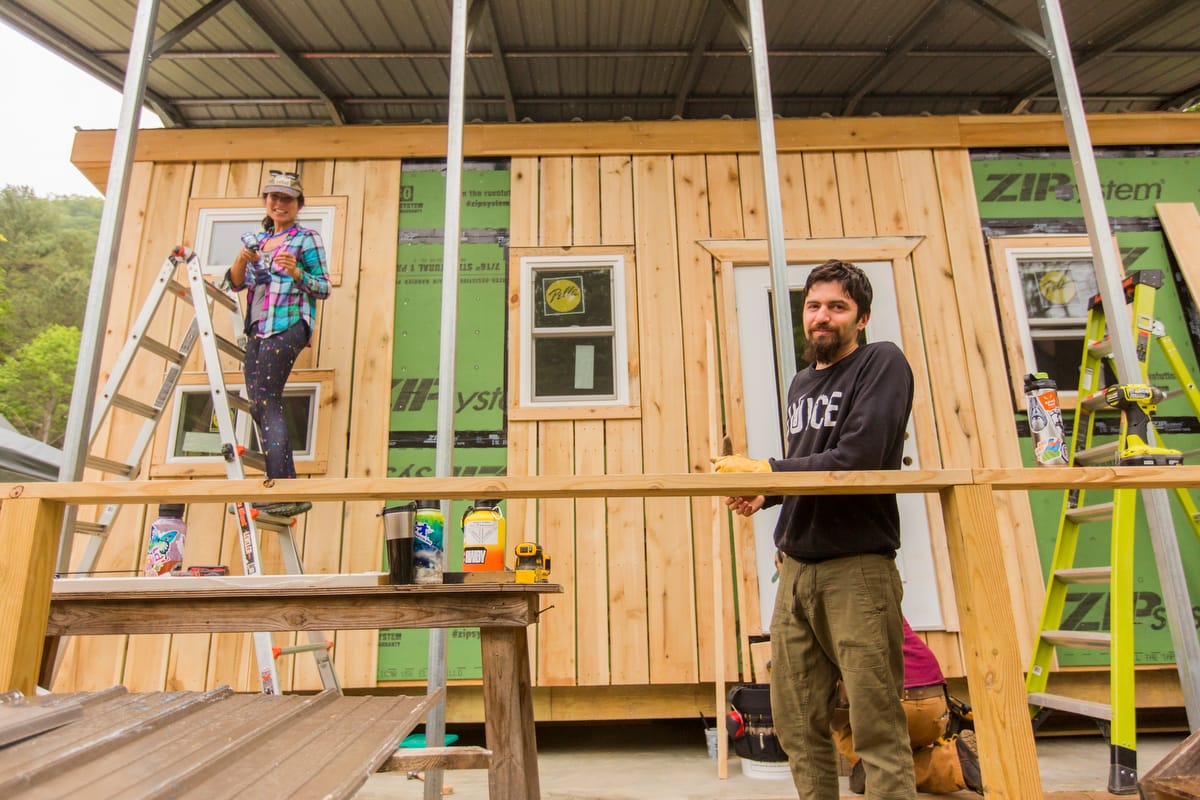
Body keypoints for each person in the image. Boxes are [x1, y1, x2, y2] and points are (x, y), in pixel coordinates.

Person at [712, 259, 916, 799]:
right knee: (798, 724)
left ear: (862, 317)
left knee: (876, 724)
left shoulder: (881, 364)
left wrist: (769, 471)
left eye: (837, 307)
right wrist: (769, 491)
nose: (821, 317)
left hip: (856, 570)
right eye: (813, 306)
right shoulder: (802, 383)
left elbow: (858, 458)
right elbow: (816, 461)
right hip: (795, 570)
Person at [224, 170, 331, 517]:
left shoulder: (306, 238)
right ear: (266, 201)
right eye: (273, 197)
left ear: (298, 204)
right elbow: (236, 284)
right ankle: (285, 486)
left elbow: (324, 288)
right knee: (259, 404)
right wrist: (242, 259)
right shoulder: (256, 240)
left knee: (267, 401)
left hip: (287, 326)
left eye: (286, 199)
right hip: (257, 329)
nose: (278, 203)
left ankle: (285, 488)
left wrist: (297, 272)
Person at [832, 617, 983, 795]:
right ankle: (956, 763)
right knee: (896, 756)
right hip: (935, 703)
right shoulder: (884, 599)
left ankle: (866, 766)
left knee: (827, 705)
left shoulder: (835, 609)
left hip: (891, 706)